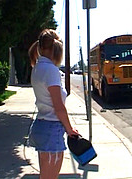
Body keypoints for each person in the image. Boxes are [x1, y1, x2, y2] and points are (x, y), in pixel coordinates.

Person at [28, 29, 80, 179]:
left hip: (41, 125)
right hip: (52, 128)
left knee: (45, 176)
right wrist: (69, 129)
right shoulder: (51, 70)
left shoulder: (37, 67)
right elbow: (58, 107)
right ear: (57, 49)